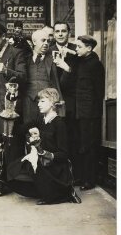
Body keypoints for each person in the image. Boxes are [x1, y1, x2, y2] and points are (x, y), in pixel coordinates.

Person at [7, 88, 81, 205]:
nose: (38, 104)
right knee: (14, 169)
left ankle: (56, 193)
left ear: (52, 103)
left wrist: (43, 148)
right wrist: (12, 107)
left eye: (42, 101)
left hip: (55, 166)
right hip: (42, 162)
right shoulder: (40, 120)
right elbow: (20, 130)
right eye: (38, 101)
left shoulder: (59, 124)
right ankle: (43, 190)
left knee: (36, 166)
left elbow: (64, 154)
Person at [50, 21, 81, 184]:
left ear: (69, 33)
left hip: (72, 101)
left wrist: (67, 67)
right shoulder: (48, 51)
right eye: (57, 31)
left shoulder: (77, 50)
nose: (60, 34)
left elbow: (81, 75)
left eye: (63, 31)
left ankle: (75, 175)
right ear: (54, 34)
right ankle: (59, 175)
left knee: (73, 137)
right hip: (54, 101)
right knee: (57, 139)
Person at [75, 35, 105, 191]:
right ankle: (83, 177)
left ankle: (89, 180)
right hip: (82, 112)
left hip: (90, 113)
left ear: (89, 48)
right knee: (83, 145)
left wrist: (94, 114)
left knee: (90, 146)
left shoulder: (95, 65)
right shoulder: (82, 62)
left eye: (79, 46)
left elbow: (99, 92)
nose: (76, 49)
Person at [22, 29, 64, 124]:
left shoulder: (54, 58)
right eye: (43, 40)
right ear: (34, 41)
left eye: (48, 41)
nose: (46, 43)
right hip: (28, 101)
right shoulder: (25, 58)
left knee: (46, 130)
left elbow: (59, 81)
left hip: (47, 102)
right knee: (29, 129)